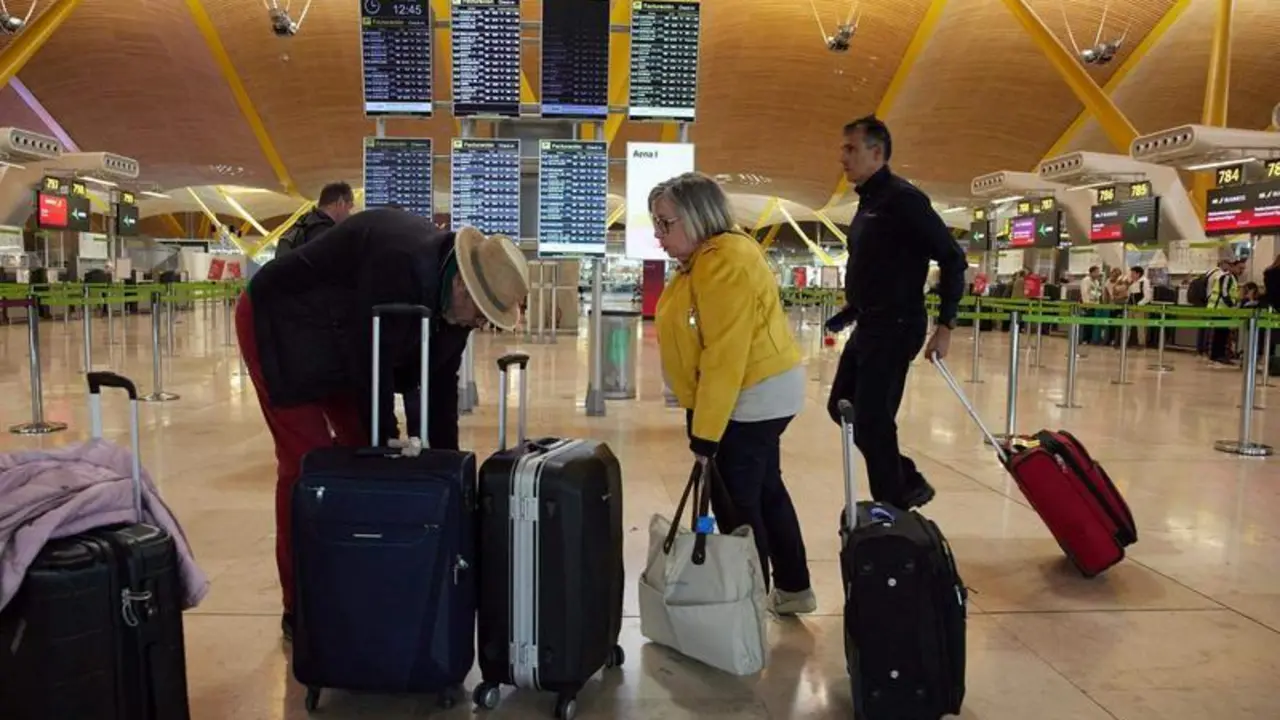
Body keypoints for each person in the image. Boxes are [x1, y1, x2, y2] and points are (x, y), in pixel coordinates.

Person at [235, 208, 529, 639]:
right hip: (280, 324)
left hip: (342, 340)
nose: (481, 324)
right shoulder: (402, 263)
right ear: (464, 284)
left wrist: (449, 476)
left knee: (365, 453)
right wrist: (387, 447)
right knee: (307, 464)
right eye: (482, 312)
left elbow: (438, 390)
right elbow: (369, 365)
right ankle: (301, 604)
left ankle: (357, 572)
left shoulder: (457, 302)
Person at [651, 172, 815, 616]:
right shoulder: (704, 260)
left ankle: (746, 604)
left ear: (697, 216)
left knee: (737, 503)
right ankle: (793, 588)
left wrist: (705, 432)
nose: (657, 235)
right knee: (764, 490)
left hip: (750, 398)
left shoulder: (723, 261)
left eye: (665, 223)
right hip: (758, 392)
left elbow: (725, 354)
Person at [824, 115, 967, 511]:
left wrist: (946, 325)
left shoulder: (903, 200)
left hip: (897, 325)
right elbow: (882, 269)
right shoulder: (869, 202)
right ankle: (905, 481)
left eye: (850, 149)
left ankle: (895, 503)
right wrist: (848, 312)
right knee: (841, 406)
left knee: (871, 419)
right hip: (869, 323)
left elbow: (953, 258)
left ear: (877, 152)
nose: (843, 157)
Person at [274, 182, 356, 257]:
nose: (350, 214)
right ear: (340, 203)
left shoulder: (305, 222)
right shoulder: (323, 233)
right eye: (350, 207)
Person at [1209, 258, 1244, 366]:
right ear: (1232, 266)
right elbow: (1224, 293)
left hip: (1225, 310)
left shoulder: (1233, 278)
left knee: (1223, 333)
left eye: (1243, 269)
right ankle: (1217, 355)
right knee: (1220, 333)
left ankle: (1219, 355)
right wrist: (1232, 305)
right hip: (1220, 309)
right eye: (1240, 268)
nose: (1241, 271)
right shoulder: (1227, 277)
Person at [1079, 266, 1104, 345]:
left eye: (1098, 272)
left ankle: (1090, 339)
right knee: (1087, 322)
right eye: (1096, 272)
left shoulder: (1097, 282)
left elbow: (1097, 292)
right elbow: (1084, 293)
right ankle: (1084, 339)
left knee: (1092, 322)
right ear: (1091, 272)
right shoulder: (1086, 280)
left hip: (1095, 304)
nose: (1097, 274)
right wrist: (1087, 304)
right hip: (1087, 305)